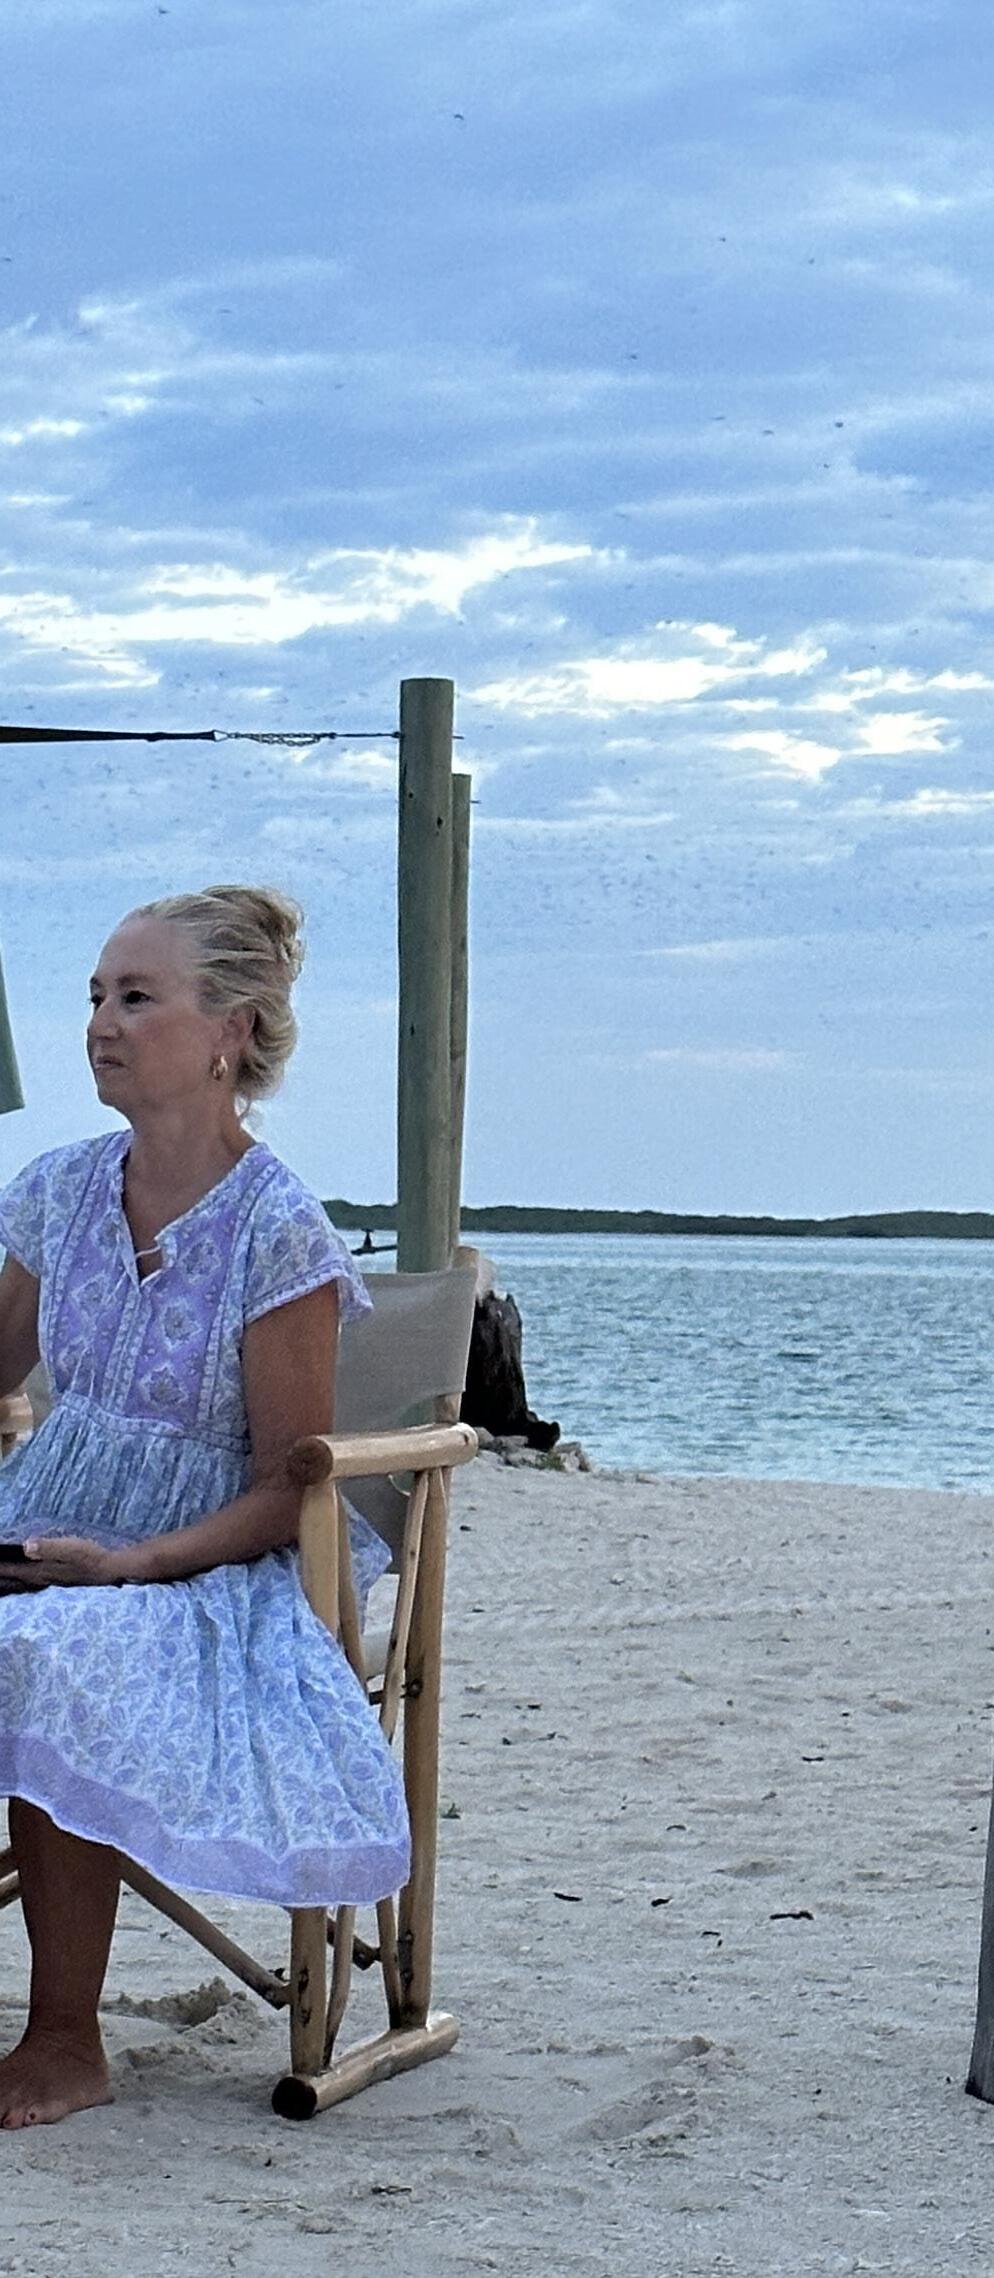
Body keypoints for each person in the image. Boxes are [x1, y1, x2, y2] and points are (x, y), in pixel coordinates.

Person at [0, 884, 409, 2128]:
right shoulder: (59, 1190)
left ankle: (66, 2037)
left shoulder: (276, 1231)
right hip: (44, 1523)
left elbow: (290, 1486)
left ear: (231, 1029)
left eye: (137, 997)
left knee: (51, 1649)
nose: (101, 1024)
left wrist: (127, 1568)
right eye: (94, 997)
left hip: (206, 1567)